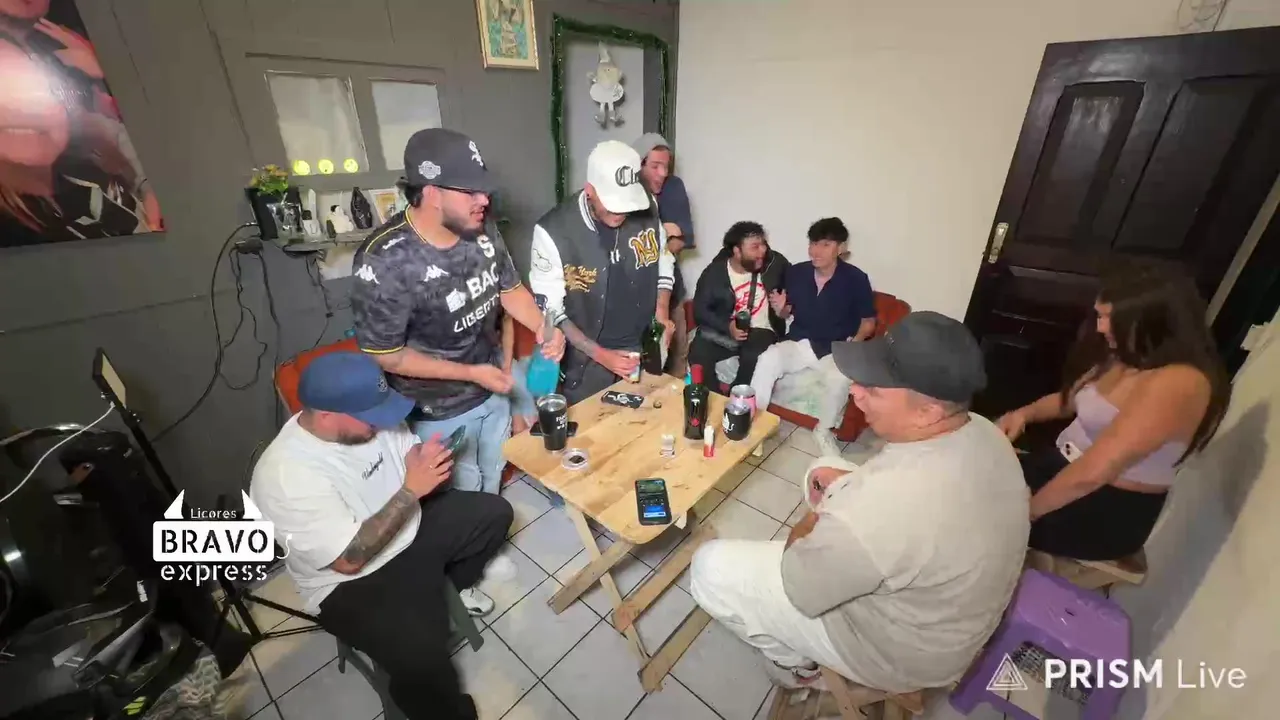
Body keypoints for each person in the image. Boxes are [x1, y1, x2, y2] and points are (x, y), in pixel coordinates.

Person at [690, 312, 1029, 694]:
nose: (855, 391)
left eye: (875, 389)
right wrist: (846, 493)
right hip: (947, 615)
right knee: (823, 467)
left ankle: (798, 667)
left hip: (898, 652)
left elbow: (799, 584)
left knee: (708, 567)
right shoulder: (982, 430)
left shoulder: (887, 506)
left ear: (927, 412)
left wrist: (817, 518)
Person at [251, 352, 513, 720]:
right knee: (422, 660)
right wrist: (411, 490)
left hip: (407, 526)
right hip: (350, 580)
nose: (382, 423)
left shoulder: (375, 419)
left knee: (495, 515)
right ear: (326, 415)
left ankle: (438, 590)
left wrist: (423, 458)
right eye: (371, 417)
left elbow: (405, 453)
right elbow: (348, 559)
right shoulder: (284, 476)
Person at [351, 128, 563, 495]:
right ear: (432, 193)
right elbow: (388, 356)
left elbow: (509, 289)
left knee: (493, 473)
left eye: (484, 189)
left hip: (493, 386)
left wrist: (541, 326)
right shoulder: (383, 260)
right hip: (438, 412)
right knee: (464, 493)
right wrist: (470, 373)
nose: (484, 199)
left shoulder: (482, 228)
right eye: (470, 191)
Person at [996, 263, 1229, 561]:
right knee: (963, 478)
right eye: (1100, 315)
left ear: (1152, 321)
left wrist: (1025, 513)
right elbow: (1069, 400)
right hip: (1059, 469)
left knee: (972, 510)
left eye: (1110, 318)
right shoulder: (1129, 355)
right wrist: (1023, 414)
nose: (1100, 327)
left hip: (1104, 508)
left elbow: (1094, 472)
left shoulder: (1181, 382)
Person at [528, 139, 675, 404]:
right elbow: (552, 310)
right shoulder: (553, 232)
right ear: (590, 190)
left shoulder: (648, 206)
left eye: (626, 203)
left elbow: (663, 259)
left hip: (642, 347)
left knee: (644, 421)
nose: (620, 212)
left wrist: (662, 311)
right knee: (593, 426)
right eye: (612, 203)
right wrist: (602, 356)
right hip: (588, 361)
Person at [749, 217, 876, 455]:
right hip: (800, 341)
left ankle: (824, 431)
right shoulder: (797, 272)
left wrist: (854, 343)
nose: (816, 251)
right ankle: (757, 425)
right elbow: (787, 312)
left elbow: (868, 322)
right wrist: (781, 309)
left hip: (835, 348)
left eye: (825, 244)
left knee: (839, 379)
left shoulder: (856, 279)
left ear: (840, 248)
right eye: (813, 243)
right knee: (768, 358)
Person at [687, 221, 790, 387]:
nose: (762, 251)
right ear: (737, 251)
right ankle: (712, 397)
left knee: (753, 355)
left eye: (763, 244)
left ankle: (738, 397)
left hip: (761, 329)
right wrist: (728, 326)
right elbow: (700, 310)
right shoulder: (714, 272)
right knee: (698, 353)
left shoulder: (775, 264)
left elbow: (796, 287)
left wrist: (785, 307)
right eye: (755, 247)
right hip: (728, 328)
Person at [633, 132, 694, 376]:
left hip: (672, 292)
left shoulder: (674, 187)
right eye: (655, 166)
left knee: (677, 358)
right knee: (642, 364)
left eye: (666, 166)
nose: (662, 173)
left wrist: (661, 244)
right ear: (638, 164)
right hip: (635, 296)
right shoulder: (628, 191)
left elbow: (680, 239)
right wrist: (664, 234)